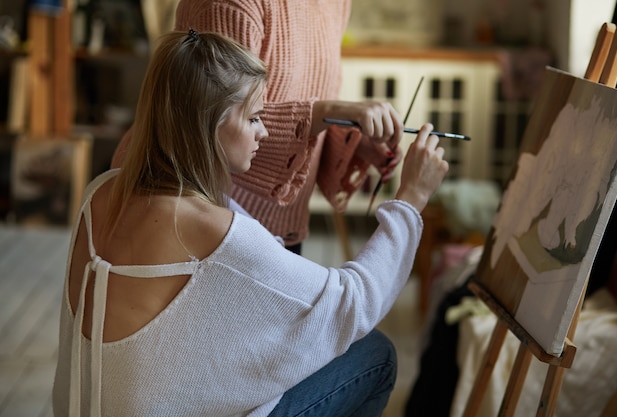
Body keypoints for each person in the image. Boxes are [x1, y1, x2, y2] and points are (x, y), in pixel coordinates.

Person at [53, 29, 448, 416]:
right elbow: (354, 303)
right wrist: (410, 198)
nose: (264, 131)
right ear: (208, 126)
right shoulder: (209, 230)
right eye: (255, 118)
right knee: (374, 355)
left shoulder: (102, 192)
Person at [111, 0, 405, 255]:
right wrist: (410, 203)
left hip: (276, 228)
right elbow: (211, 125)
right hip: (205, 223)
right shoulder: (227, 4)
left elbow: (296, 98)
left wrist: (348, 137)